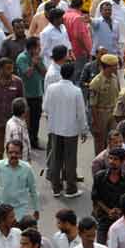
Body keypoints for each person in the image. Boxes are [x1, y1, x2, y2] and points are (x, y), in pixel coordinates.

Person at [44, 61, 89, 198]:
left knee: (55, 158)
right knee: (70, 160)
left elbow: (45, 108)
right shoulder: (76, 91)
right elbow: (81, 114)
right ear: (73, 74)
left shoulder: (51, 88)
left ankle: (56, 188)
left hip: (55, 129)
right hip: (70, 131)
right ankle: (70, 189)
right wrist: (84, 130)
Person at [0, 140, 39, 220]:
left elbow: (33, 190)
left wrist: (36, 209)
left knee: (17, 232)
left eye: (16, 153)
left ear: (21, 154)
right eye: (10, 152)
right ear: (6, 153)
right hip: (2, 210)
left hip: (20, 211)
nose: (13, 155)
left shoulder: (27, 168)